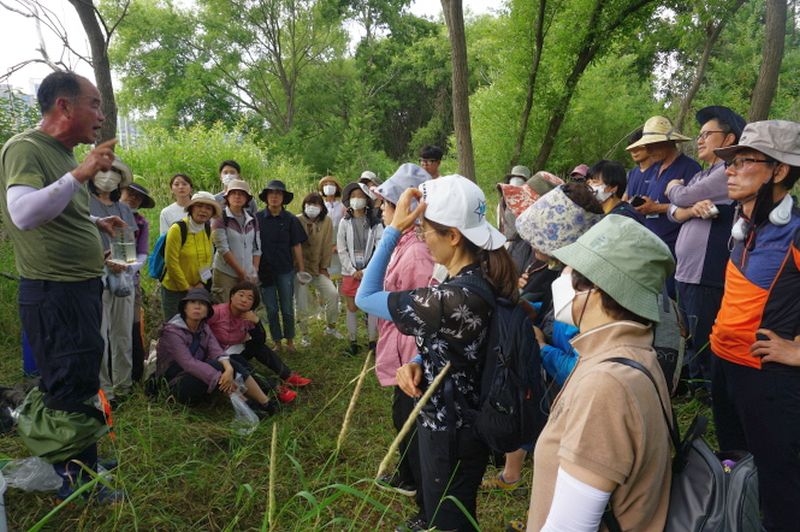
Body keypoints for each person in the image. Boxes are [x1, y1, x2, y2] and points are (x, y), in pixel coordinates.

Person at [357, 175, 514, 531]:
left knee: (450, 517)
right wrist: (417, 360)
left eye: (425, 229)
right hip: (462, 421)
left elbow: (364, 297)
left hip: (451, 428)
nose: (422, 236)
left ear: (453, 236)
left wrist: (394, 230)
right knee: (447, 506)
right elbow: (459, 346)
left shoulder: (448, 299)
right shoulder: (477, 278)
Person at [0, 70, 126, 500]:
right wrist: (81, 174)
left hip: (78, 286)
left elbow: (52, 209)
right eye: (94, 104)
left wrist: (92, 221)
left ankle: (78, 456)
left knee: (78, 375)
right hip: (54, 291)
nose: (101, 115)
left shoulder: (63, 154)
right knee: (68, 381)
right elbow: (23, 213)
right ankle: (77, 479)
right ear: (64, 106)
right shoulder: (25, 149)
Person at [528, 214, 675, 531]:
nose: (563, 280)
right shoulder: (627, 354)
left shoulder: (606, 385)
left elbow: (571, 527)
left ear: (595, 289)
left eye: (574, 274)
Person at [709, 120, 800, 531]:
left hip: (768, 378)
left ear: (779, 170)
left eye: (744, 161)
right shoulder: (745, 225)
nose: (729, 168)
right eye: (730, 161)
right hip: (724, 364)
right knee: (737, 458)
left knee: (779, 479)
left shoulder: (795, 232)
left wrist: (797, 351)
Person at [369, 163, 433, 529]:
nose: (380, 208)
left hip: (414, 354)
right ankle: (408, 478)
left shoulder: (417, 253)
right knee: (402, 417)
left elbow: (417, 311)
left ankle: (427, 508)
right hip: (400, 346)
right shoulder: (406, 244)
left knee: (415, 423)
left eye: (386, 202)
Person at [664, 106, 744, 398]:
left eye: (707, 134)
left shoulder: (727, 171)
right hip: (686, 270)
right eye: (699, 135)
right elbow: (674, 212)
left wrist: (673, 187)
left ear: (728, 139)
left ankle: (708, 392)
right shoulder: (702, 175)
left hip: (704, 271)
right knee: (687, 329)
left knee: (702, 331)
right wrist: (686, 210)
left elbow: (679, 197)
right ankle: (695, 385)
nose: (699, 140)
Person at [155, 288, 277, 417]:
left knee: (230, 364)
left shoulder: (203, 327)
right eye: (192, 302)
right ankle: (248, 405)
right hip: (172, 386)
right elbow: (189, 364)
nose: (197, 306)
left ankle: (266, 403)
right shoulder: (172, 332)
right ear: (184, 308)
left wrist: (229, 368)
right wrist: (220, 377)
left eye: (202, 304)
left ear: (207, 311)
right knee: (218, 369)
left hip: (195, 378)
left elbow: (216, 350)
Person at [206, 282, 312, 404]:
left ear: (253, 303)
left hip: (237, 349)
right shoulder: (216, 312)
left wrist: (256, 322)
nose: (244, 300)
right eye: (241, 295)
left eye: (250, 298)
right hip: (219, 356)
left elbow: (259, 341)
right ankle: (275, 389)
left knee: (259, 347)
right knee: (243, 366)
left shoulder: (248, 316)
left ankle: (288, 376)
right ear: (231, 296)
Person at [88, 156, 138, 401]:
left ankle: (123, 386)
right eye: (103, 171)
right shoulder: (83, 203)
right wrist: (102, 258)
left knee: (122, 333)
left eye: (114, 174)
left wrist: (121, 261)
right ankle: (103, 390)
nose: (108, 178)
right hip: (93, 276)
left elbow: (129, 242)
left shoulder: (124, 209)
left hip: (122, 277)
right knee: (99, 335)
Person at [626, 116, 701, 257]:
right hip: (652, 244)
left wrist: (657, 208)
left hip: (674, 247)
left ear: (668, 142)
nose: (648, 151)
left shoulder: (689, 168)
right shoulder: (655, 168)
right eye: (646, 146)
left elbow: (697, 207)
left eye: (652, 145)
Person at [257, 180, 307, 352]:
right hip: (264, 271)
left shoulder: (291, 219)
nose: (275, 197)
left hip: (285, 269)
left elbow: (296, 245)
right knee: (271, 309)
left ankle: (290, 341)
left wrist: (301, 269)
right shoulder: (257, 219)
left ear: (283, 198)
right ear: (266, 197)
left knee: (287, 308)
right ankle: (276, 341)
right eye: (271, 193)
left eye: (278, 194)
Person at [338, 182, 383, 355]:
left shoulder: (375, 223)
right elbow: (341, 249)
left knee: (371, 307)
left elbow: (379, 248)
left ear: (367, 200)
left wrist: (365, 271)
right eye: (353, 196)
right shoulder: (344, 222)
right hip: (349, 271)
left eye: (360, 196)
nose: (356, 199)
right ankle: (353, 342)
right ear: (349, 200)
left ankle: (373, 342)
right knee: (351, 307)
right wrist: (352, 270)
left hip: (370, 271)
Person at [161, 191, 219, 320]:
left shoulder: (207, 228)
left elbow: (209, 257)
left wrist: (201, 283)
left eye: (208, 208)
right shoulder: (177, 229)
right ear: (191, 208)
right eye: (199, 206)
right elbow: (171, 263)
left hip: (197, 287)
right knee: (174, 326)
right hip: (175, 289)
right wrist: (187, 287)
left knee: (195, 324)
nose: (203, 211)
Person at [295, 192, 342, 344]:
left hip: (317, 269)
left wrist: (324, 267)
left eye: (316, 204)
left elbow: (327, 245)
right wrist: (297, 269)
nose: (312, 208)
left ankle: (331, 327)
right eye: (309, 204)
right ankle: (304, 335)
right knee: (301, 303)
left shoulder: (326, 221)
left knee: (333, 295)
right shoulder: (296, 220)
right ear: (304, 206)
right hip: (299, 270)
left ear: (322, 207)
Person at [120, 180, 155, 382]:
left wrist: (128, 269)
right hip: (100, 281)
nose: (133, 198)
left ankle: (133, 376)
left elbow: (143, 254)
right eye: (129, 193)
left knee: (132, 327)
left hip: (130, 282)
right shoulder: (105, 216)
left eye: (138, 196)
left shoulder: (141, 223)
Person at [210, 179, 261, 304]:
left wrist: (254, 270)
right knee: (224, 309)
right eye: (234, 193)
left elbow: (257, 247)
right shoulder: (220, 217)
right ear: (227, 197)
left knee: (244, 310)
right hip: (225, 273)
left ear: (247, 199)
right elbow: (223, 248)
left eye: (241, 194)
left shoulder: (252, 219)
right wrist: (241, 273)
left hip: (248, 274)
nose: (237, 196)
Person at [319, 175, 345, 277]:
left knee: (339, 274)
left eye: (331, 184)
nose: (328, 186)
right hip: (323, 245)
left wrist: (338, 245)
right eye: (325, 185)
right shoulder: (319, 206)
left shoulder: (343, 206)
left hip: (339, 244)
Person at [624, 128, 655, 200]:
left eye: (638, 148)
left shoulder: (660, 171)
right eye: (631, 149)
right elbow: (625, 198)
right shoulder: (631, 174)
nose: (634, 152)